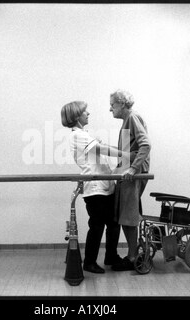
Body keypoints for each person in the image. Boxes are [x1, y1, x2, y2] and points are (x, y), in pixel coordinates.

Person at [61, 101, 128, 274]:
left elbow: (103, 149)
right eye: (85, 111)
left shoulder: (84, 134)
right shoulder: (77, 135)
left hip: (105, 185)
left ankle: (111, 257)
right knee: (97, 225)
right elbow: (101, 149)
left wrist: (123, 152)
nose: (88, 113)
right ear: (76, 116)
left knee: (113, 224)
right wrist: (126, 154)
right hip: (95, 189)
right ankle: (89, 262)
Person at [109, 89, 151, 271]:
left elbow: (146, 144)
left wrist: (133, 169)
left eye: (112, 105)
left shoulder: (132, 117)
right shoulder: (127, 120)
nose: (110, 109)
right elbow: (127, 152)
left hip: (133, 173)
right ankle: (132, 254)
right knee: (125, 214)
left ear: (122, 104)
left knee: (128, 214)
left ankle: (133, 257)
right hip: (128, 171)